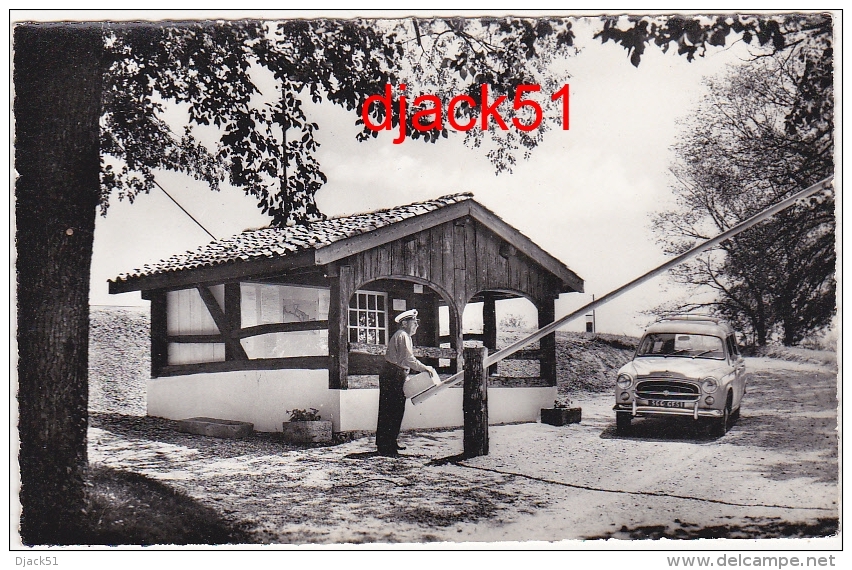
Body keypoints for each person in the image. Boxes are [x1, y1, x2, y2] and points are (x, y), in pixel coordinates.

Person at [376, 309, 436, 456]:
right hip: (392, 375)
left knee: (396, 410)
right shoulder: (402, 335)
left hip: (397, 374)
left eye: (417, 322)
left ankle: (390, 442)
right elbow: (407, 359)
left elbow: (404, 361)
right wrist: (424, 368)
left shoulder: (406, 336)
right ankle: (385, 446)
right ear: (404, 323)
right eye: (414, 322)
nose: (416, 325)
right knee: (390, 410)